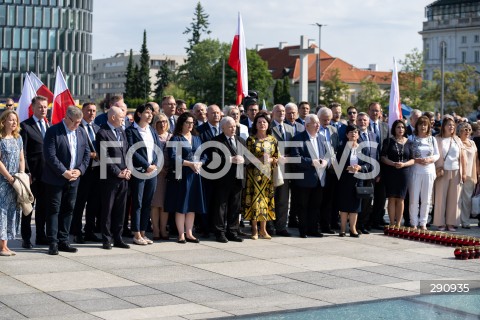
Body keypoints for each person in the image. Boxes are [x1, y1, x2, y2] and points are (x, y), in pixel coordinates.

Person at [42, 106, 90, 255]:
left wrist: (80, 170)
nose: (78, 125)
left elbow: (87, 153)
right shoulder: (53, 131)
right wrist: (64, 172)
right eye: (75, 122)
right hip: (55, 179)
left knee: (69, 210)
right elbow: (50, 156)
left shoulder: (81, 131)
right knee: (54, 210)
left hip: (74, 179)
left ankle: (64, 241)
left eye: (79, 122)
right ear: (67, 118)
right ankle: (53, 242)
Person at [164, 112, 206, 243]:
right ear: (181, 123)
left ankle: (189, 233)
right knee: (182, 205)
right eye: (187, 122)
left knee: (192, 205)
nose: (190, 125)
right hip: (182, 175)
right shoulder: (175, 138)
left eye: (192, 122)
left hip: (195, 175)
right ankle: (181, 234)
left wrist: (200, 163)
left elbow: (204, 154)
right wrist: (190, 164)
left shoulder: (197, 138)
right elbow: (173, 157)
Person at [96, 106, 131, 250]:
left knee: (120, 210)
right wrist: (117, 172)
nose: (124, 119)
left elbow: (127, 151)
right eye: (121, 117)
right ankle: (106, 239)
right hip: (110, 178)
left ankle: (118, 237)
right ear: (113, 118)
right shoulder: (102, 132)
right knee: (108, 210)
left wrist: (128, 169)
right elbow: (105, 157)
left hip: (124, 177)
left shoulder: (121, 131)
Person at [125, 104, 161, 245]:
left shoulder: (152, 130)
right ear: (139, 114)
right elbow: (132, 150)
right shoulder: (131, 131)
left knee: (147, 202)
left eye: (151, 113)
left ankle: (144, 232)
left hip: (152, 172)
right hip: (139, 171)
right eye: (147, 112)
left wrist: (155, 165)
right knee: (138, 202)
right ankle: (136, 233)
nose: (150, 115)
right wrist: (146, 165)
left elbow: (157, 148)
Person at [290, 114, 327, 238]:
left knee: (316, 206)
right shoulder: (298, 139)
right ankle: (303, 230)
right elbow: (295, 158)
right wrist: (310, 162)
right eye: (315, 123)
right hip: (304, 180)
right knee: (302, 206)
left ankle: (313, 229)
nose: (318, 125)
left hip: (319, 179)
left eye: (318, 123)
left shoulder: (321, 138)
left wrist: (327, 161)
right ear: (307, 125)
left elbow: (328, 154)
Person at [20, 96, 49, 248]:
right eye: (40, 107)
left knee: (43, 208)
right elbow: (22, 153)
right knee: (28, 209)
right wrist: (27, 172)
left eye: (45, 107)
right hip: (32, 176)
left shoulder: (49, 124)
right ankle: (26, 238)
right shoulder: (25, 126)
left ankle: (41, 236)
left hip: (46, 175)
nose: (43, 109)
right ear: (33, 108)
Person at [243, 112, 278, 240]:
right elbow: (247, 157)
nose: (262, 124)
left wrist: (271, 160)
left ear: (268, 124)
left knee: (265, 202)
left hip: (267, 176)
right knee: (254, 202)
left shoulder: (273, 140)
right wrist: (259, 159)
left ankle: (263, 229)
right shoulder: (251, 139)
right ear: (255, 125)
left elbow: (276, 157)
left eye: (264, 122)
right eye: (259, 122)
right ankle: (254, 230)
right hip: (253, 176)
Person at [210, 116, 245, 243]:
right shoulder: (216, 141)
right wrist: (230, 160)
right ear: (223, 128)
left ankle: (233, 231)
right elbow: (213, 160)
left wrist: (243, 160)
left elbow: (247, 158)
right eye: (230, 126)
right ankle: (219, 232)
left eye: (234, 126)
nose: (233, 129)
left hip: (237, 179)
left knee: (235, 207)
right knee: (220, 207)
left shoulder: (240, 140)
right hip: (222, 180)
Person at [71, 102, 102, 244]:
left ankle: (89, 231)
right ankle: (77, 232)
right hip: (83, 171)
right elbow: (75, 148)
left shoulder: (98, 128)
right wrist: (89, 154)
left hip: (97, 171)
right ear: (82, 111)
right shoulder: (78, 127)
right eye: (88, 110)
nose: (91, 113)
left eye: (94, 111)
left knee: (93, 204)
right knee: (79, 203)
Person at [433, 116, 466, 232]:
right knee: (440, 198)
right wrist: (437, 168)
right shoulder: (437, 139)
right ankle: (440, 223)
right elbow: (434, 156)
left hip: (456, 170)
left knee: (454, 198)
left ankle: (451, 223)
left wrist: (464, 173)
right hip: (442, 171)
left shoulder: (457, 139)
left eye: (453, 125)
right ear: (444, 126)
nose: (451, 127)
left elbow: (462, 157)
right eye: (449, 125)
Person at [380, 120, 414, 227]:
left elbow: (413, 159)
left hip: (404, 173)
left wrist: (404, 164)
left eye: (403, 127)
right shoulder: (388, 141)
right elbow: (383, 157)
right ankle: (391, 223)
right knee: (392, 198)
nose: (401, 129)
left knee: (401, 198)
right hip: (391, 172)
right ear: (394, 129)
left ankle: (398, 224)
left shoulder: (409, 142)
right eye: (398, 127)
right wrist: (393, 163)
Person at [0, 111, 25, 256]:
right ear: (3, 122)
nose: (14, 123)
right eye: (11, 120)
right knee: (2, 212)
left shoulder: (18, 138)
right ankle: (2, 246)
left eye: (16, 120)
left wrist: (21, 175)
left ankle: (6, 245)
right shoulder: (0, 139)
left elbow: (22, 158)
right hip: (3, 182)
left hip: (15, 182)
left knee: (12, 212)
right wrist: (9, 177)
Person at [409, 116, 439, 230]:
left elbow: (437, 154)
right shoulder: (411, 138)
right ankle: (414, 222)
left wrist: (430, 159)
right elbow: (408, 154)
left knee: (426, 199)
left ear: (428, 126)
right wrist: (416, 160)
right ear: (417, 126)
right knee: (414, 198)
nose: (423, 127)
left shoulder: (432, 139)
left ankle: (423, 222)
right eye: (421, 124)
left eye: (425, 125)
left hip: (429, 171)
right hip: (415, 171)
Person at [335, 125, 365, 237]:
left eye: (356, 132)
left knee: (355, 206)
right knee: (344, 205)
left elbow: (368, 164)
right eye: (351, 132)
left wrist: (359, 168)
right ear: (347, 135)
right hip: (345, 180)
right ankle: (342, 229)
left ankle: (353, 229)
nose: (353, 134)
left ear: (358, 135)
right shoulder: (342, 147)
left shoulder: (362, 148)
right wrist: (348, 168)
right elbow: (337, 163)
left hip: (357, 180)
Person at [270, 104, 295, 237]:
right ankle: (269, 226)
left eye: (283, 111)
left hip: (286, 169)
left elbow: (294, 148)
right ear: (273, 113)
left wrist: (290, 156)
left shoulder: (290, 129)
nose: (282, 113)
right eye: (278, 111)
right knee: (271, 198)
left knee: (283, 199)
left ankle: (281, 226)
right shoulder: (268, 128)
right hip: (271, 168)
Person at [317, 107, 340, 234]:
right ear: (318, 118)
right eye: (324, 120)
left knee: (328, 199)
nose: (326, 122)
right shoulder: (314, 129)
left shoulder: (333, 130)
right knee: (317, 199)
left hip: (331, 170)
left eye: (328, 120)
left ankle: (326, 225)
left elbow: (335, 148)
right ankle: (316, 223)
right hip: (318, 169)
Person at [368, 102, 389, 229]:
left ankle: (377, 219)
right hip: (368, 167)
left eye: (377, 111)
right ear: (368, 111)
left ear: (380, 112)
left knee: (381, 197)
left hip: (382, 167)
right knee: (367, 196)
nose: (375, 113)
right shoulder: (364, 125)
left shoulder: (386, 127)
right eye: (373, 110)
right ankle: (366, 220)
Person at [356, 112, 379, 234]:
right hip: (359, 172)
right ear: (356, 122)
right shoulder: (354, 135)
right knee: (358, 199)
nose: (362, 122)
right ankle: (356, 225)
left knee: (368, 199)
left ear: (368, 122)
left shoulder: (374, 135)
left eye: (364, 120)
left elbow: (377, 154)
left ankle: (363, 224)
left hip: (372, 173)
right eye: (360, 120)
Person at [150, 114, 172, 240]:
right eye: (159, 122)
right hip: (155, 173)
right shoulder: (152, 136)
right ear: (155, 123)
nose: (162, 124)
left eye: (164, 121)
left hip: (168, 174)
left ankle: (163, 229)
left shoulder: (171, 136)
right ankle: (156, 230)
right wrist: (158, 168)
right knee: (155, 204)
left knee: (165, 204)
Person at [457, 122, 479, 229]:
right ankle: (455, 221)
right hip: (458, 174)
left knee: (467, 199)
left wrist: (478, 173)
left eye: (469, 129)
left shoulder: (472, 143)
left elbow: (476, 159)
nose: (467, 131)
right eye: (465, 129)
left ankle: (465, 221)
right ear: (460, 131)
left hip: (471, 174)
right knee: (457, 198)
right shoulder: (457, 142)